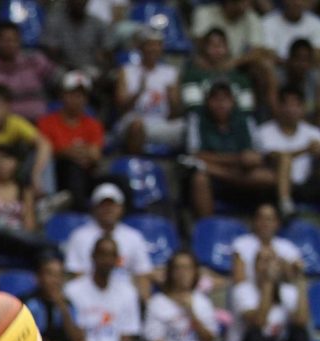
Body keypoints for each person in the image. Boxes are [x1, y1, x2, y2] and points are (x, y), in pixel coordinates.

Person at [224, 235, 313, 341]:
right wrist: (268, 284)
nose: (268, 266)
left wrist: (300, 281)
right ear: (254, 266)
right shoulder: (243, 290)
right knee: (255, 335)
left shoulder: (286, 291)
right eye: (263, 261)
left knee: (299, 333)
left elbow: (302, 321)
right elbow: (258, 322)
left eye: (272, 260)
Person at [185, 81, 276, 219]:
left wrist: (225, 163)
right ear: (207, 102)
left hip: (239, 173)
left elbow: (256, 156)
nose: (220, 104)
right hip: (215, 178)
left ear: (233, 102)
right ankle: (206, 226)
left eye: (225, 100)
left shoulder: (246, 119)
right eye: (215, 99)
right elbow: (196, 154)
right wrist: (235, 159)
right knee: (200, 179)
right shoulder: (197, 119)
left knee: (268, 177)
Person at [64, 236, 140, 341]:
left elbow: (127, 334)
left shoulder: (128, 292)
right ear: (93, 256)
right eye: (102, 254)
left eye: (111, 255)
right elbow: (73, 332)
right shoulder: (73, 290)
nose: (106, 260)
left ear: (117, 260)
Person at [63, 183, 155, 300]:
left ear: (121, 208)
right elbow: (75, 273)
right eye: (103, 205)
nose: (108, 209)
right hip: (89, 297)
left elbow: (142, 274)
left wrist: (145, 303)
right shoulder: (79, 236)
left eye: (112, 205)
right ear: (94, 208)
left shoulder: (134, 237)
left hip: (123, 298)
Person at [37, 72, 105, 211]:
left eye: (81, 95)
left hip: (87, 174)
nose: (77, 99)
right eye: (72, 94)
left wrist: (68, 151)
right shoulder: (47, 122)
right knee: (72, 168)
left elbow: (95, 155)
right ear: (62, 96)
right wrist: (73, 153)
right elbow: (48, 153)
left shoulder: (93, 124)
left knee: (118, 182)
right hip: (59, 176)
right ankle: (78, 213)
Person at [114, 25, 185, 155]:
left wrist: (172, 99)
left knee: (188, 127)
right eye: (149, 45)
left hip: (160, 123)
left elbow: (175, 114)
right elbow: (120, 108)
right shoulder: (127, 71)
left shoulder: (171, 73)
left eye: (157, 45)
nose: (153, 49)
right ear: (140, 47)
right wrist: (138, 92)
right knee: (136, 126)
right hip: (133, 121)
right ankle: (135, 163)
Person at [0, 21, 58, 121]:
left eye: (14, 40)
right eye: (5, 40)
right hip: (2, 125)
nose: (10, 44)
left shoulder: (34, 60)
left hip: (39, 121)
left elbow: (60, 80)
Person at [256, 87, 320, 215]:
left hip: (306, 184)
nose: (291, 110)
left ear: (303, 108)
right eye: (287, 104)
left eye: (296, 105)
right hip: (273, 186)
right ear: (278, 107)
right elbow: (272, 157)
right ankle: (285, 206)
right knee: (284, 158)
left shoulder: (314, 133)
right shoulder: (264, 132)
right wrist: (306, 150)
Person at [231, 203, 306, 287]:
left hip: (280, 289)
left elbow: (296, 273)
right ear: (254, 221)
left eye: (269, 219)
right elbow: (239, 279)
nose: (265, 223)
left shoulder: (288, 246)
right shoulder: (241, 243)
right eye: (261, 218)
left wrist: (285, 266)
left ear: (277, 223)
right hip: (250, 289)